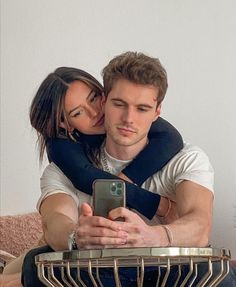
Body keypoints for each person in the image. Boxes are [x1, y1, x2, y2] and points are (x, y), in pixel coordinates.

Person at [22, 52, 236, 286]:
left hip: (171, 270)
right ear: (106, 101)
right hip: (99, 273)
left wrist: (154, 236)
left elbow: (200, 224)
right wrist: (77, 236)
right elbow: (54, 220)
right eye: (119, 104)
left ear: (157, 112)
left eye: (142, 108)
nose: (128, 119)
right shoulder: (63, 167)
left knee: (218, 272)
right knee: (35, 263)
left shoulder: (186, 158)